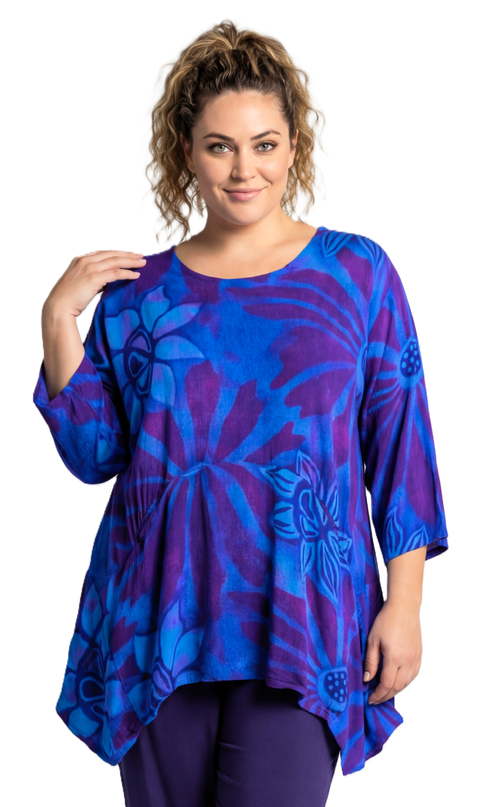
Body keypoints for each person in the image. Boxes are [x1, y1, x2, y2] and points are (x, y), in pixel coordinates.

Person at [32, 18, 449, 807]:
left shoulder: (356, 276)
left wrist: (407, 603)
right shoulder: (139, 295)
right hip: (159, 619)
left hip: (304, 618)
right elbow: (94, 455)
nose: (243, 168)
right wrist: (59, 321)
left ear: (294, 148)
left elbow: (401, 448)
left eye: (264, 144)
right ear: (186, 153)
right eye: (219, 145)